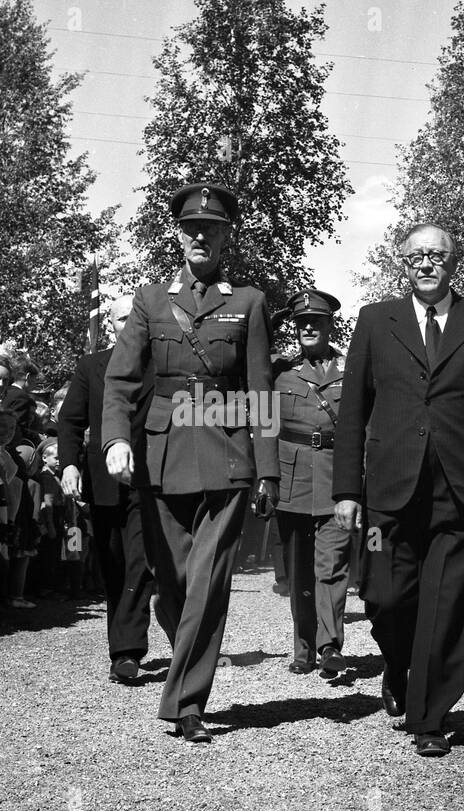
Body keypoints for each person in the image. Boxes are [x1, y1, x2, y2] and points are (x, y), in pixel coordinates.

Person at [332, 222, 464, 757]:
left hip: (459, 486)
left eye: (436, 255)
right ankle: (397, 666)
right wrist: (347, 489)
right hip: (388, 491)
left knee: (447, 604)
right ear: (402, 263)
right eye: (416, 256)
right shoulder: (375, 320)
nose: (425, 264)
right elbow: (353, 411)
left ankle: (430, 716)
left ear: (453, 263)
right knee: (386, 595)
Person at [102, 182, 279, 743]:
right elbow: (121, 379)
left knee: (208, 579)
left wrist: (268, 470)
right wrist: (113, 441)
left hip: (227, 454)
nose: (201, 235)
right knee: (174, 582)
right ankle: (189, 672)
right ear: (178, 235)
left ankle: (187, 703)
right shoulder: (152, 300)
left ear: (227, 236)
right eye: (191, 228)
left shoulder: (248, 301)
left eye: (213, 228)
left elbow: (259, 390)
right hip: (161, 453)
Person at [58, 295, 165, 683]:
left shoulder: (163, 365)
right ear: (111, 326)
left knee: (140, 562)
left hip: (151, 479)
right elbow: (69, 420)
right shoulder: (92, 366)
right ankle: (124, 643)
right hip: (104, 482)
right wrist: (69, 465)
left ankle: (127, 652)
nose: (128, 326)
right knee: (114, 564)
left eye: (134, 320)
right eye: (121, 320)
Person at [271, 289, 352, 676]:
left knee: (331, 565)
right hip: (291, 479)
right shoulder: (280, 372)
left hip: (337, 478)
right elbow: (265, 428)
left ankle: (330, 645)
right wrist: (264, 479)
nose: (307, 327)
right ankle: (302, 645)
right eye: (300, 323)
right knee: (299, 570)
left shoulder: (351, 371)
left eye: (315, 322)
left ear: (329, 325)